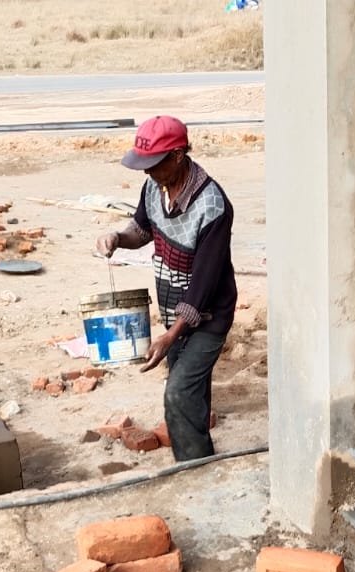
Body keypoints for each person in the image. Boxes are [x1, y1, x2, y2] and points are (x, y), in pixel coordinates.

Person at [95, 116, 236, 461]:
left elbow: (202, 288)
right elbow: (141, 230)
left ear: (177, 156)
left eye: (153, 164)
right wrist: (117, 238)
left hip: (209, 316)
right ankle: (198, 452)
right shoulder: (155, 187)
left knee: (177, 392)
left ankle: (193, 466)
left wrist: (170, 336)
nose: (147, 171)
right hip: (174, 310)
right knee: (191, 390)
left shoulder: (213, 206)